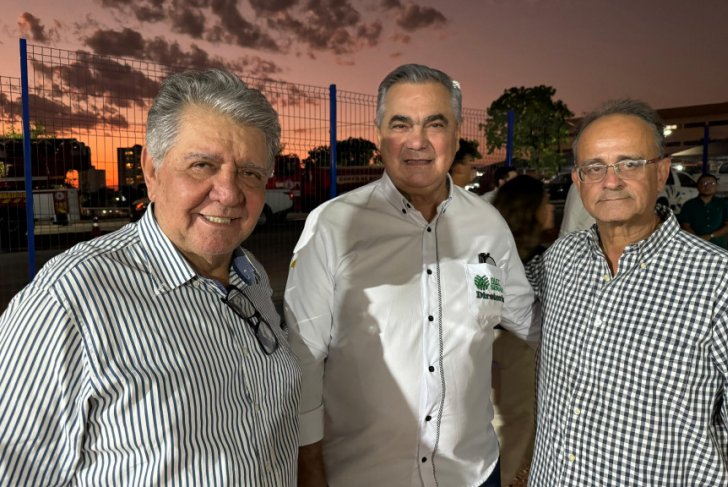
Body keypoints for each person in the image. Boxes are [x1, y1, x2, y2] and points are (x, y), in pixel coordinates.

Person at [0, 69, 301, 485]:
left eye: (249, 173)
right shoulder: (69, 301)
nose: (229, 193)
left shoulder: (251, 279)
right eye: (202, 165)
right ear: (152, 170)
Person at [285, 63, 536, 487]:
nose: (417, 141)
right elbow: (302, 357)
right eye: (401, 124)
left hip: (473, 473)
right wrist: (309, 466)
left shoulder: (488, 224)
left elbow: (527, 319)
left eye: (434, 123)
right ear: (380, 133)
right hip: (363, 476)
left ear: (456, 134)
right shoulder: (332, 226)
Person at [526, 98, 728, 485]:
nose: (611, 180)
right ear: (579, 180)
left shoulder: (725, 283)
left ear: (662, 172)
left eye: (630, 163)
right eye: (594, 167)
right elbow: (497, 293)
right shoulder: (560, 259)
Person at [490, 175, 554, 483]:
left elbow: (484, 308)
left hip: (490, 345)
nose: (551, 209)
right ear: (532, 210)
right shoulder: (546, 260)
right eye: (545, 203)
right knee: (519, 424)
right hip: (521, 350)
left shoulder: (487, 253)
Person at [678, 173, 728, 248]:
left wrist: (710, 236)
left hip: (718, 246)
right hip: (695, 246)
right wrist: (697, 239)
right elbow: (685, 225)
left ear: (716, 187)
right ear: (698, 186)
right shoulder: (689, 205)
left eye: (712, 183)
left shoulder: (723, 204)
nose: (707, 186)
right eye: (704, 183)